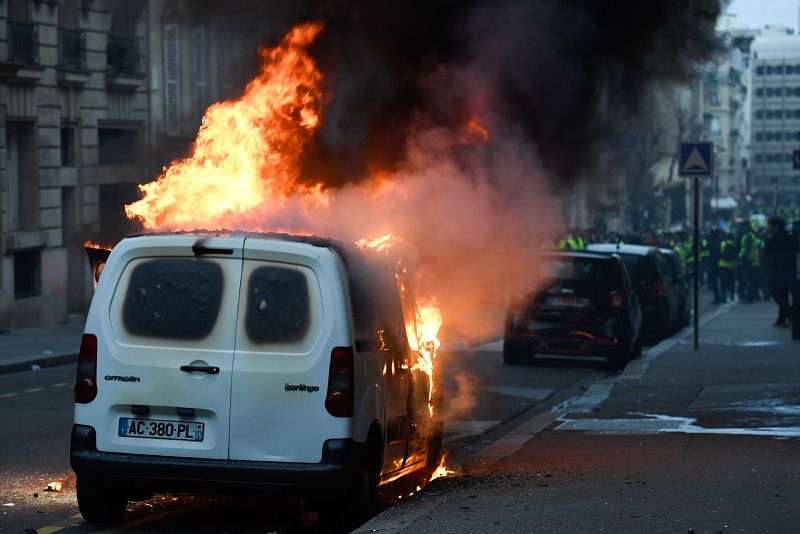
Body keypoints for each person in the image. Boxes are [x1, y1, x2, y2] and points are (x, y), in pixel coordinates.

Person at [763, 216, 795, 327]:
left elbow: (765, 252)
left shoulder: (773, 239)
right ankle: (782, 319)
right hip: (788, 270)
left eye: (770, 225)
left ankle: (792, 316)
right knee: (784, 295)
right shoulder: (789, 237)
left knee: (777, 294)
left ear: (775, 226)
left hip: (776, 270)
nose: (769, 227)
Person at [718, 232, 737, 303]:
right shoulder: (734, 244)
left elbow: (719, 253)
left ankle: (724, 294)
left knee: (722, 281)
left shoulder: (722, 243)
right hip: (731, 265)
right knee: (731, 281)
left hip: (722, 264)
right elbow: (736, 255)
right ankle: (732, 294)